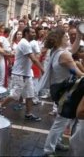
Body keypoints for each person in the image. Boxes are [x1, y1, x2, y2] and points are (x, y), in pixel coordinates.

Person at [41, 28, 84, 157]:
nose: (67, 38)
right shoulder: (64, 55)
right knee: (61, 121)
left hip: (60, 90)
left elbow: (73, 50)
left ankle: (57, 142)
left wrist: (79, 36)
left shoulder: (57, 51)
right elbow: (80, 74)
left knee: (65, 120)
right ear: (60, 40)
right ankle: (48, 150)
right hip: (64, 93)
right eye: (65, 37)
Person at [0, 27, 44, 121]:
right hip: (19, 75)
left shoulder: (28, 43)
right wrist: (43, 70)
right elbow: (34, 59)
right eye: (32, 32)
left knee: (30, 95)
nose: (34, 34)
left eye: (35, 32)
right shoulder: (24, 43)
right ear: (26, 33)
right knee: (15, 95)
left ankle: (28, 114)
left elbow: (36, 56)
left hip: (26, 74)